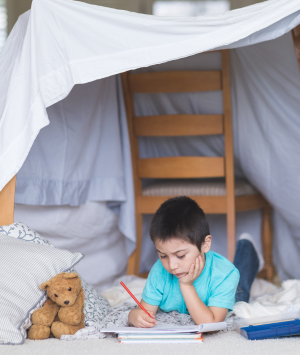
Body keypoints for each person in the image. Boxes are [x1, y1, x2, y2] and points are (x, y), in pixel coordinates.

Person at [128, 196, 262, 328]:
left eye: (180, 255)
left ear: (205, 244)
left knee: (241, 290)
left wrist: (186, 285)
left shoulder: (226, 274)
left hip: (229, 294)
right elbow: (145, 312)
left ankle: (247, 248)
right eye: (163, 255)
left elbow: (211, 324)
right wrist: (134, 316)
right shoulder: (159, 270)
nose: (172, 266)